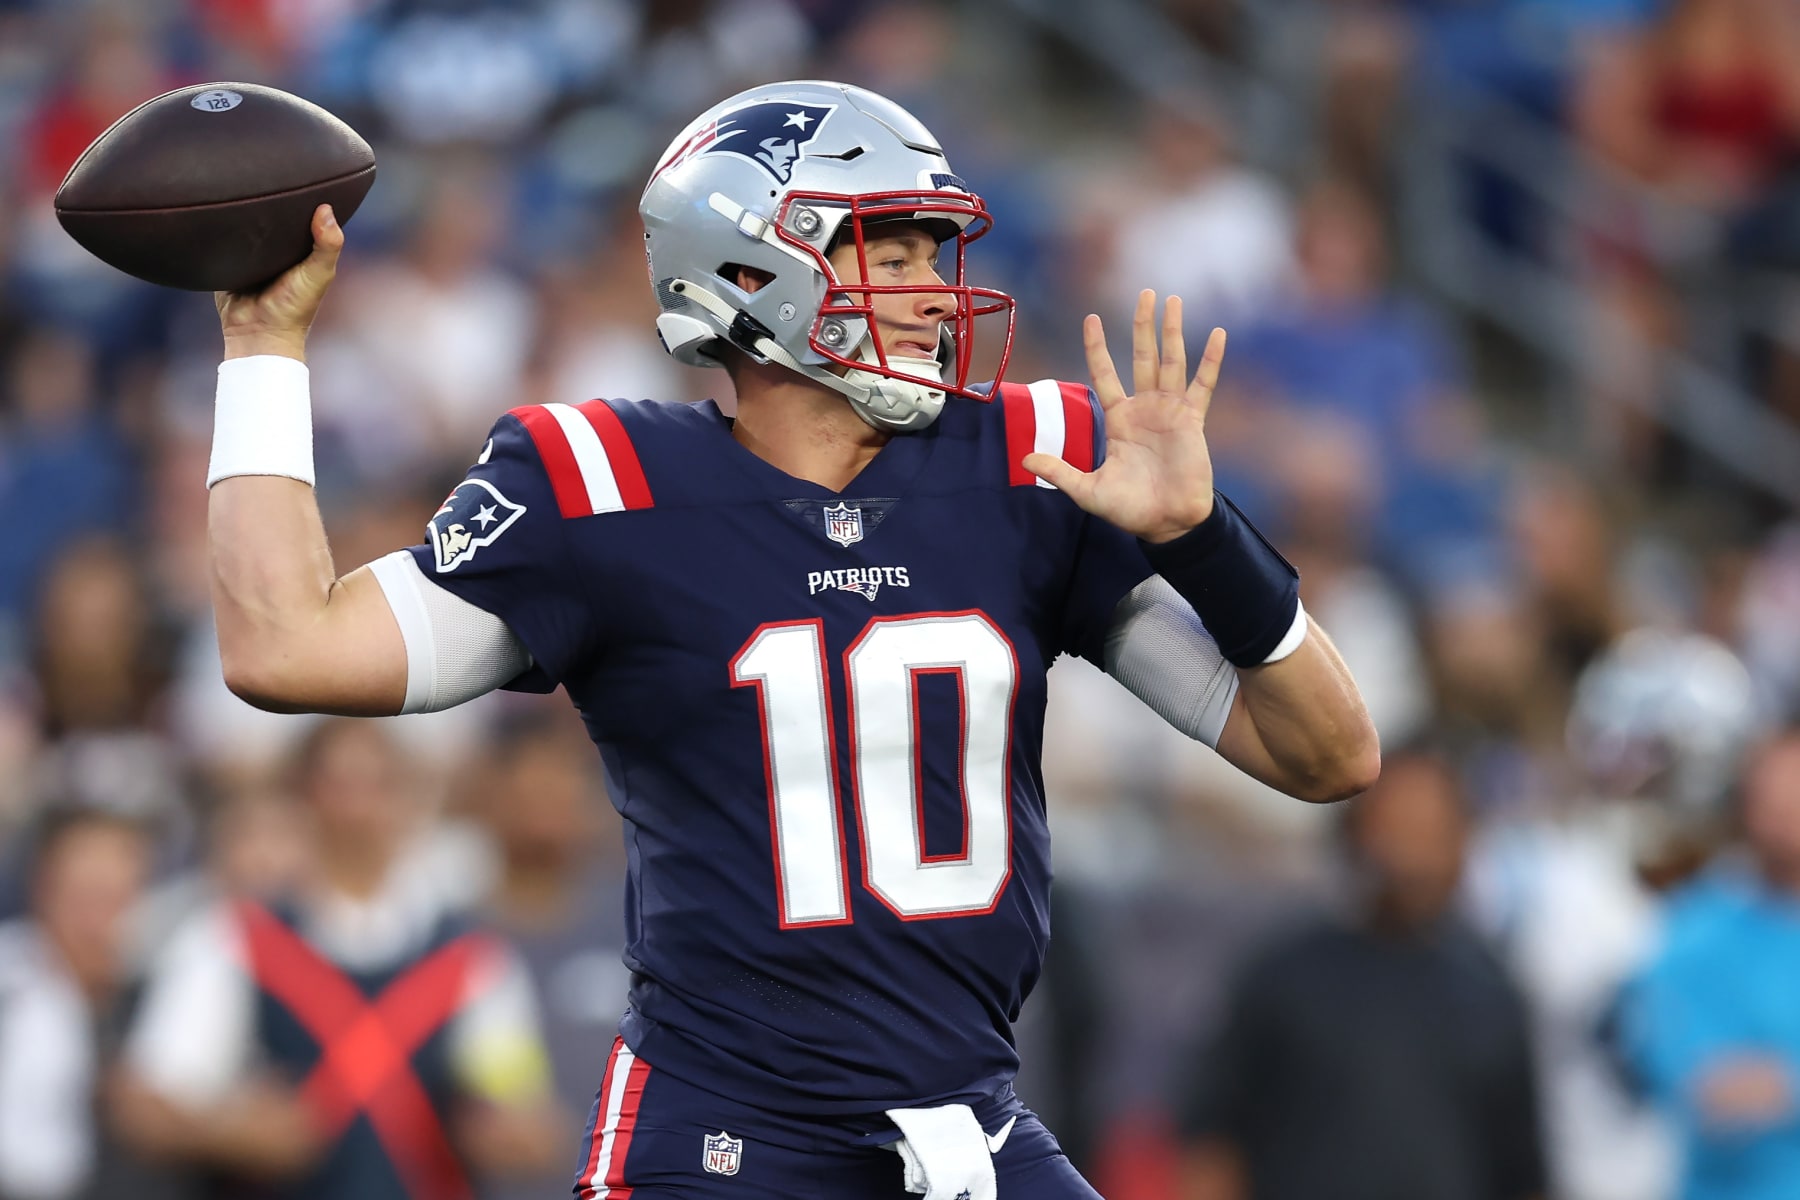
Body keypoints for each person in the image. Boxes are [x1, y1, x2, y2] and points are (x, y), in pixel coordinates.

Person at [199, 80, 1378, 1199]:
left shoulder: (1026, 471)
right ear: (754, 263)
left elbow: (1330, 759)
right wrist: (264, 349)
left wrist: (1203, 537)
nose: (932, 290)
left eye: (934, 254)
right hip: (725, 1137)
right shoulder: (603, 487)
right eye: (893, 253)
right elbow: (284, 647)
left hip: (967, 1130)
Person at [112, 719, 563, 1200]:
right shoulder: (233, 941)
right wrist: (228, 1128)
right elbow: (146, 1102)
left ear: (409, 800)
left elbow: (523, 1109)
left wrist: (503, 1131)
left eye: (378, 783)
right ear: (301, 800)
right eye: (339, 784)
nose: (358, 808)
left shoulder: (470, 961)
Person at [1176, 750, 1547, 1200]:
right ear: (1353, 837)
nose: (1411, 860)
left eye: (1430, 835)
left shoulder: (1493, 995)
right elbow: (1213, 1143)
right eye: (1395, 832)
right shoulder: (1282, 977)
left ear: (1463, 844)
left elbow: (1522, 1169)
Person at [1615, 726, 1800, 1200]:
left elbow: (1763, 1088)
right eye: (1770, 799)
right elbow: (1706, 1088)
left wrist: (1782, 1083)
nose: (1782, 816)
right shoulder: (1693, 931)